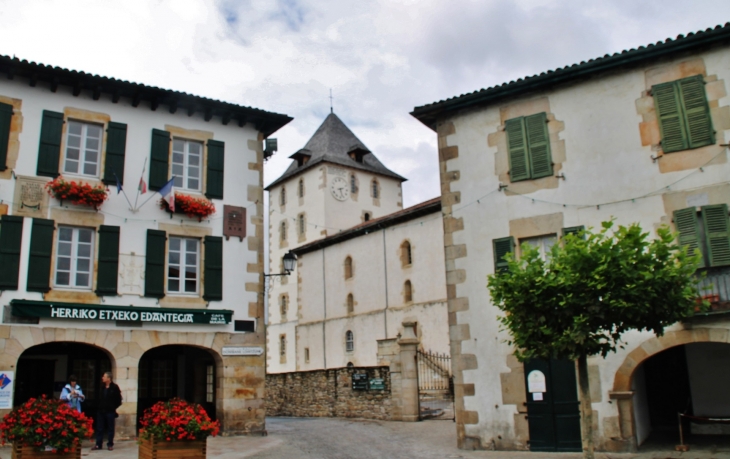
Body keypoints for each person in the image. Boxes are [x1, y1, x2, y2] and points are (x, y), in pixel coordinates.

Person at [93, 371, 122, 451]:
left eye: (104, 376)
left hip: (110, 411)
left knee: (110, 428)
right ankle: (98, 444)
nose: (102, 378)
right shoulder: (102, 387)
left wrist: (113, 407)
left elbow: (118, 400)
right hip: (101, 411)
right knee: (99, 428)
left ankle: (110, 444)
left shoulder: (115, 387)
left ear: (108, 378)